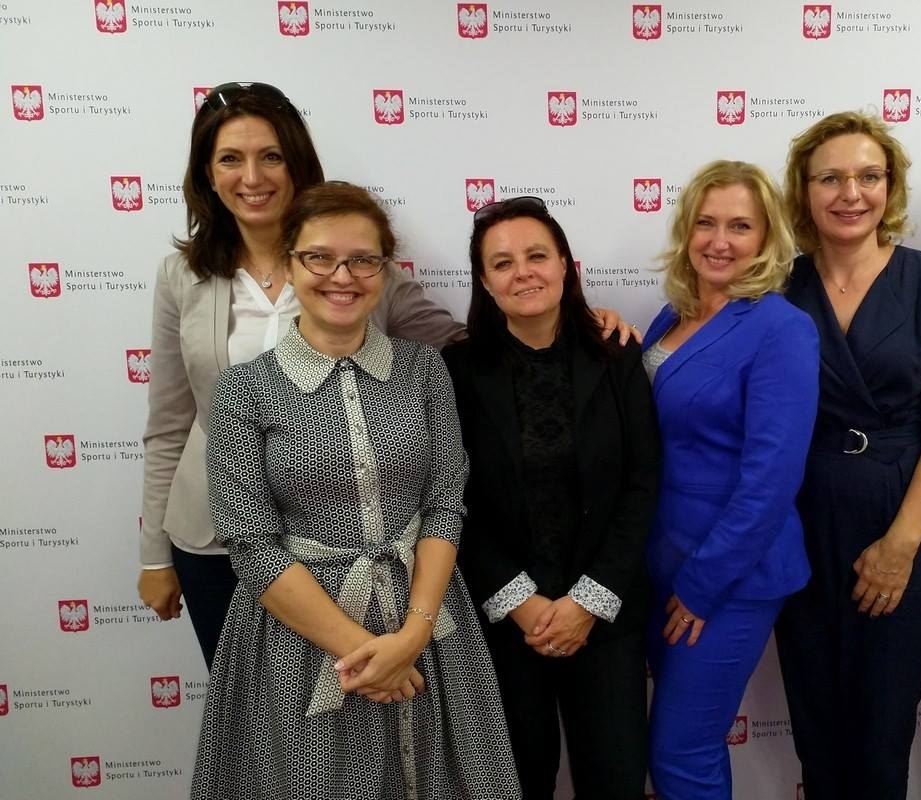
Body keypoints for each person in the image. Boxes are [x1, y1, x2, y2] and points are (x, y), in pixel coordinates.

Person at [138, 81, 632, 669]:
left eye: (270, 155)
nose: (252, 177)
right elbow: (169, 422)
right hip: (218, 541)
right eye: (229, 159)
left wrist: (567, 323)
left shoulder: (366, 270)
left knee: (369, 697)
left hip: (355, 549)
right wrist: (154, 555)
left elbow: (470, 348)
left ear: (296, 162)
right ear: (207, 173)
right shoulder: (180, 277)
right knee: (262, 707)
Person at [191, 182, 520, 799]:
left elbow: (444, 508)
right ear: (290, 264)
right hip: (298, 643)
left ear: (384, 269)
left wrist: (413, 637)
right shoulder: (243, 389)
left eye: (363, 260)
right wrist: (372, 657)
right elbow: (252, 544)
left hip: (428, 627)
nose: (342, 276)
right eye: (319, 257)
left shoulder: (425, 372)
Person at [772, 111, 921, 799]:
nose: (850, 193)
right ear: (804, 191)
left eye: (868, 176)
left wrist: (901, 544)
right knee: (817, 728)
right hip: (802, 517)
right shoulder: (778, 285)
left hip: (900, 507)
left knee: (883, 732)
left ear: (890, 186)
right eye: (830, 178)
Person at [442, 196, 660, 800]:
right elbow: (452, 499)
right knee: (518, 782)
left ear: (566, 264)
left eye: (537, 255)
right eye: (503, 263)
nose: (523, 273)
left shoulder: (616, 354)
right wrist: (521, 602)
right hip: (507, 623)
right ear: (485, 281)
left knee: (615, 781)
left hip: (606, 617)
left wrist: (589, 601)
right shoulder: (455, 370)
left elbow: (643, 481)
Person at [640, 160, 820, 800]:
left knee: (681, 754)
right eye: (706, 223)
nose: (719, 241)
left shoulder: (782, 328)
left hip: (729, 577)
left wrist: (702, 585)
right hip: (660, 564)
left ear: (767, 237)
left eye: (740, 226)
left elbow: (771, 478)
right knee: (677, 746)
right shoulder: (671, 316)